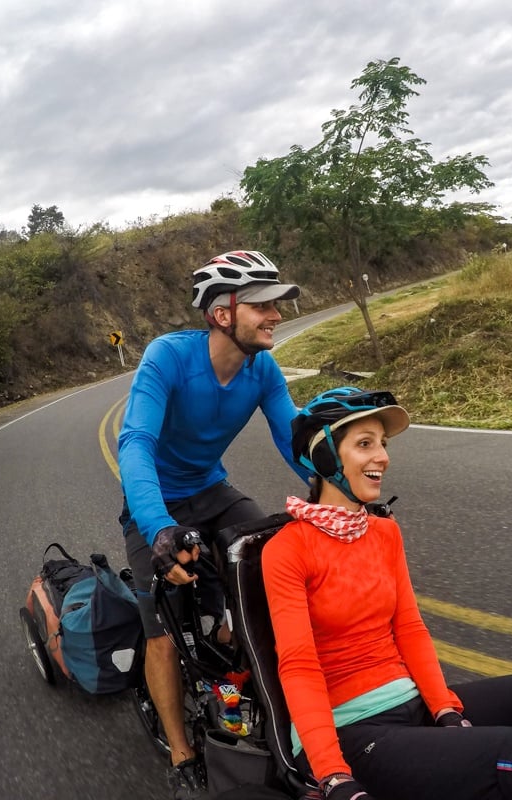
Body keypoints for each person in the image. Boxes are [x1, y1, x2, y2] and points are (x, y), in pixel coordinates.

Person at [262, 388, 512, 800]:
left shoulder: (383, 532)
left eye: (383, 444)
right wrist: (332, 774)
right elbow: (298, 666)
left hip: (412, 702)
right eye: (365, 444)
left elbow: (409, 627)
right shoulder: (288, 549)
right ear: (325, 457)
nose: (382, 457)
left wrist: (445, 708)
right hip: (351, 731)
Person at [117, 250, 310, 799]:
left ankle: (230, 650)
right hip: (155, 501)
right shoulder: (169, 357)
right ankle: (181, 752)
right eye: (262, 305)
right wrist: (158, 528)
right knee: (163, 630)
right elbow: (136, 442)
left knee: (270, 567)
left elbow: (294, 439)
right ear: (222, 314)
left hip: (212, 490)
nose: (276, 315)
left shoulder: (262, 369)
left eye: (277, 305)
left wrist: (337, 491)